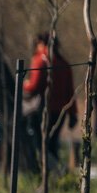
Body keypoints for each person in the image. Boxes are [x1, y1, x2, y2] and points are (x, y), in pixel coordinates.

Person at [21, 32, 77, 173]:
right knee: (52, 143)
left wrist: (24, 84)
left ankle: (52, 172)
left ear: (42, 43)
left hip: (43, 110)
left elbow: (34, 86)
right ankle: (56, 174)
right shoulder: (64, 64)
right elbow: (70, 91)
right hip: (60, 111)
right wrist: (73, 114)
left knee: (40, 145)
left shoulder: (40, 60)